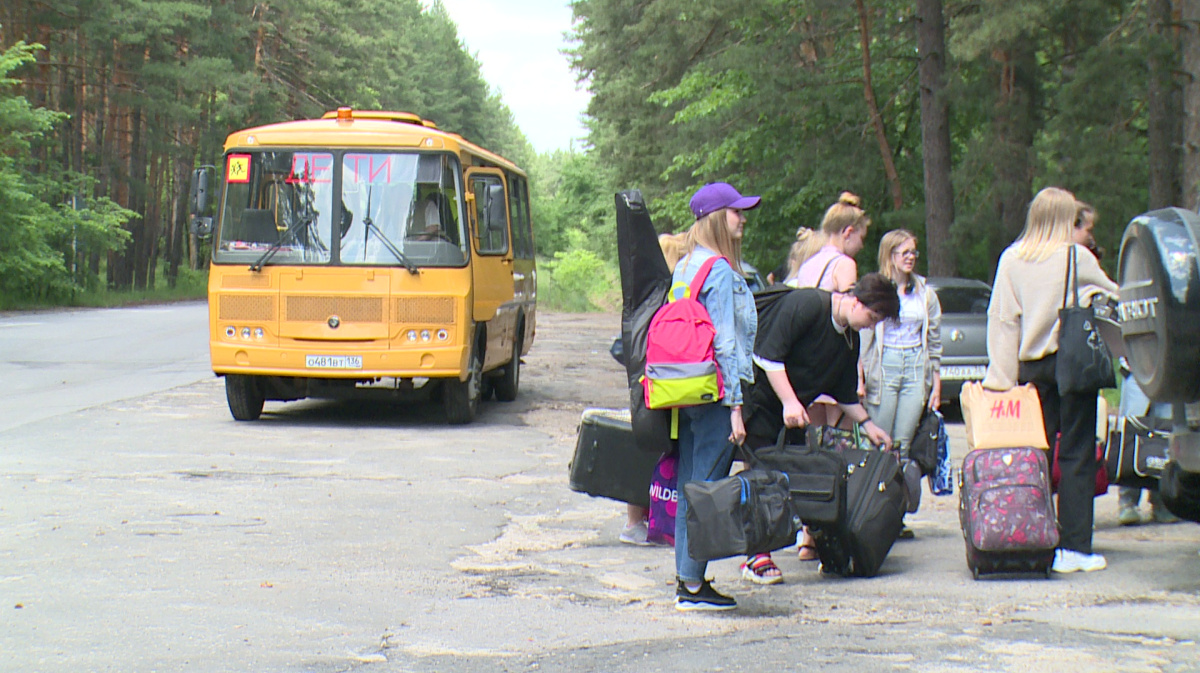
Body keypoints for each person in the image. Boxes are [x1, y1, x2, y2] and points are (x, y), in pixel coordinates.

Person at [982, 186, 1119, 574]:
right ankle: (1074, 548)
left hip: (1032, 368)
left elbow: (1003, 319)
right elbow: (1113, 295)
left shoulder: (1011, 258)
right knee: (1076, 453)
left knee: (1035, 456)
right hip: (1074, 362)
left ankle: (1032, 534)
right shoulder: (1077, 256)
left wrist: (1002, 379)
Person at [736, 273, 900, 582]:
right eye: (871, 316)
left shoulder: (849, 338)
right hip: (760, 400)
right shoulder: (809, 304)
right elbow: (767, 355)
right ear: (855, 300)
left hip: (793, 412)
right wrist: (789, 401)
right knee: (761, 477)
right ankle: (756, 557)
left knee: (794, 480)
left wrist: (867, 425)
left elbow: (844, 391)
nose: (871, 325)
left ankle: (821, 546)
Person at [669, 182, 760, 611]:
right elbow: (724, 342)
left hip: (685, 389)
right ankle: (691, 585)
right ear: (715, 217)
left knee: (691, 481)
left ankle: (686, 577)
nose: (742, 219)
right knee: (705, 487)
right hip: (716, 393)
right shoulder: (720, 271)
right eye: (736, 212)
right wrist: (736, 406)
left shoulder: (685, 266)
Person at [860, 230, 943, 539]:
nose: (910, 257)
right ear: (890, 255)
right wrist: (860, 376)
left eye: (913, 252)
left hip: (915, 367)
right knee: (881, 442)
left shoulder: (925, 293)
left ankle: (896, 514)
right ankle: (871, 510)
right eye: (904, 252)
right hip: (885, 366)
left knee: (904, 445)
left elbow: (933, 340)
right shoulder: (879, 288)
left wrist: (935, 382)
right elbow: (864, 337)